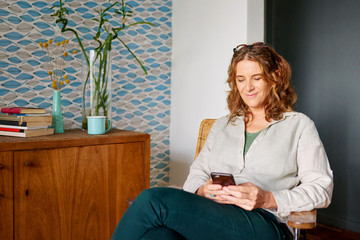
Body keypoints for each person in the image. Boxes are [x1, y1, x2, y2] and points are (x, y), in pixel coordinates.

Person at [111, 42, 333, 240]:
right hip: (213, 214)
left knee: (153, 200)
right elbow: (196, 175)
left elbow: (322, 190)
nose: (248, 87)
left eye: (257, 78)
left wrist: (266, 198)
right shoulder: (223, 125)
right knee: (158, 235)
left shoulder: (299, 125)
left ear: (274, 77)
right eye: (241, 79)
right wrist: (202, 190)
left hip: (265, 223)